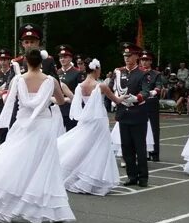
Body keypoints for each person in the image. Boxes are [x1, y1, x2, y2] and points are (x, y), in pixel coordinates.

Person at [0, 49, 75, 223]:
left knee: (18, 164)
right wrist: (48, 99)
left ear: (26, 62)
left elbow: (8, 101)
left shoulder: (18, 80)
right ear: (41, 63)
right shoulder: (50, 80)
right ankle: (54, 210)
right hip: (43, 126)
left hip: (23, 126)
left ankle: (4, 209)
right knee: (45, 167)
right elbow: (60, 101)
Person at [57, 58, 129, 195]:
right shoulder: (100, 85)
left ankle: (82, 176)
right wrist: (124, 97)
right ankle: (93, 181)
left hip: (86, 119)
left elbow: (77, 104)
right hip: (99, 120)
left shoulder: (80, 86)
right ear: (96, 69)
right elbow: (116, 100)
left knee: (85, 147)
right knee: (99, 149)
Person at [112, 43, 151, 188]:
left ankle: (143, 177)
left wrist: (137, 98)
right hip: (123, 113)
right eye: (125, 56)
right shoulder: (119, 72)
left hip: (137, 114)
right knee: (126, 147)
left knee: (139, 148)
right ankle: (131, 175)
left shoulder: (142, 73)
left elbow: (146, 91)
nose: (127, 58)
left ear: (136, 57)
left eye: (130, 56)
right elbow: (113, 87)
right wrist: (115, 98)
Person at [140, 50, 163, 161]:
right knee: (140, 128)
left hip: (151, 101)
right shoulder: (138, 72)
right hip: (139, 102)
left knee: (153, 128)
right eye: (142, 60)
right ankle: (143, 151)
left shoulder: (156, 74)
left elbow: (158, 86)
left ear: (151, 61)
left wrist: (154, 92)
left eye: (146, 60)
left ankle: (154, 152)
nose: (144, 62)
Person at [55, 45, 81, 131]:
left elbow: (80, 92)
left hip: (71, 107)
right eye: (61, 57)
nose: (62, 59)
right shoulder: (57, 72)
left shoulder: (77, 72)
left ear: (70, 59)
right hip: (58, 107)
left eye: (65, 57)